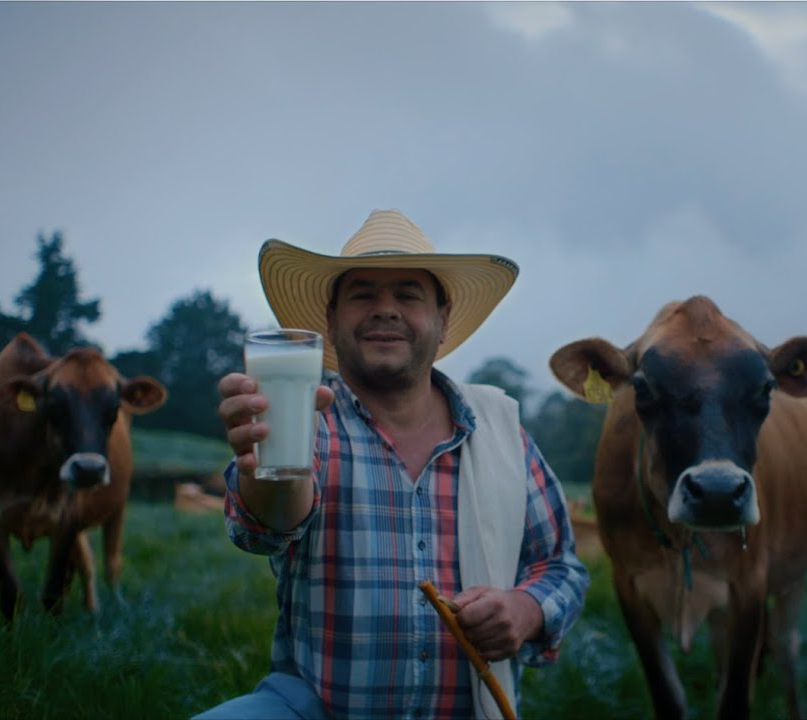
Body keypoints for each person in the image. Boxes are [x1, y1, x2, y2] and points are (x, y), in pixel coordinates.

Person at [196, 209, 590, 720]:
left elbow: (561, 565)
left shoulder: (500, 430)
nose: (385, 310)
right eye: (362, 295)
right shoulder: (301, 418)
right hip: (312, 708)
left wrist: (527, 608)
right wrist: (264, 463)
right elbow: (265, 529)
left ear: (443, 319)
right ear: (332, 320)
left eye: (408, 295)